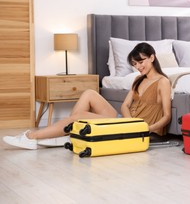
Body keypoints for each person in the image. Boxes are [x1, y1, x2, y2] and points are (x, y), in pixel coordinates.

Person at [3, 42, 172, 150]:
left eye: (141, 62)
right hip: (126, 121)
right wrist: (128, 120)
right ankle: (70, 134)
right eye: (135, 64)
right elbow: (124, 106)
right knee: (89, 93)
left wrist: (146, 128)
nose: (138, 67)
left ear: (152, 57)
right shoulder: (137, 79)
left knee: (79, 117)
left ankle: (31, 137)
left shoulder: (162, 82)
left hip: (137, 126)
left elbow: (166, 115)